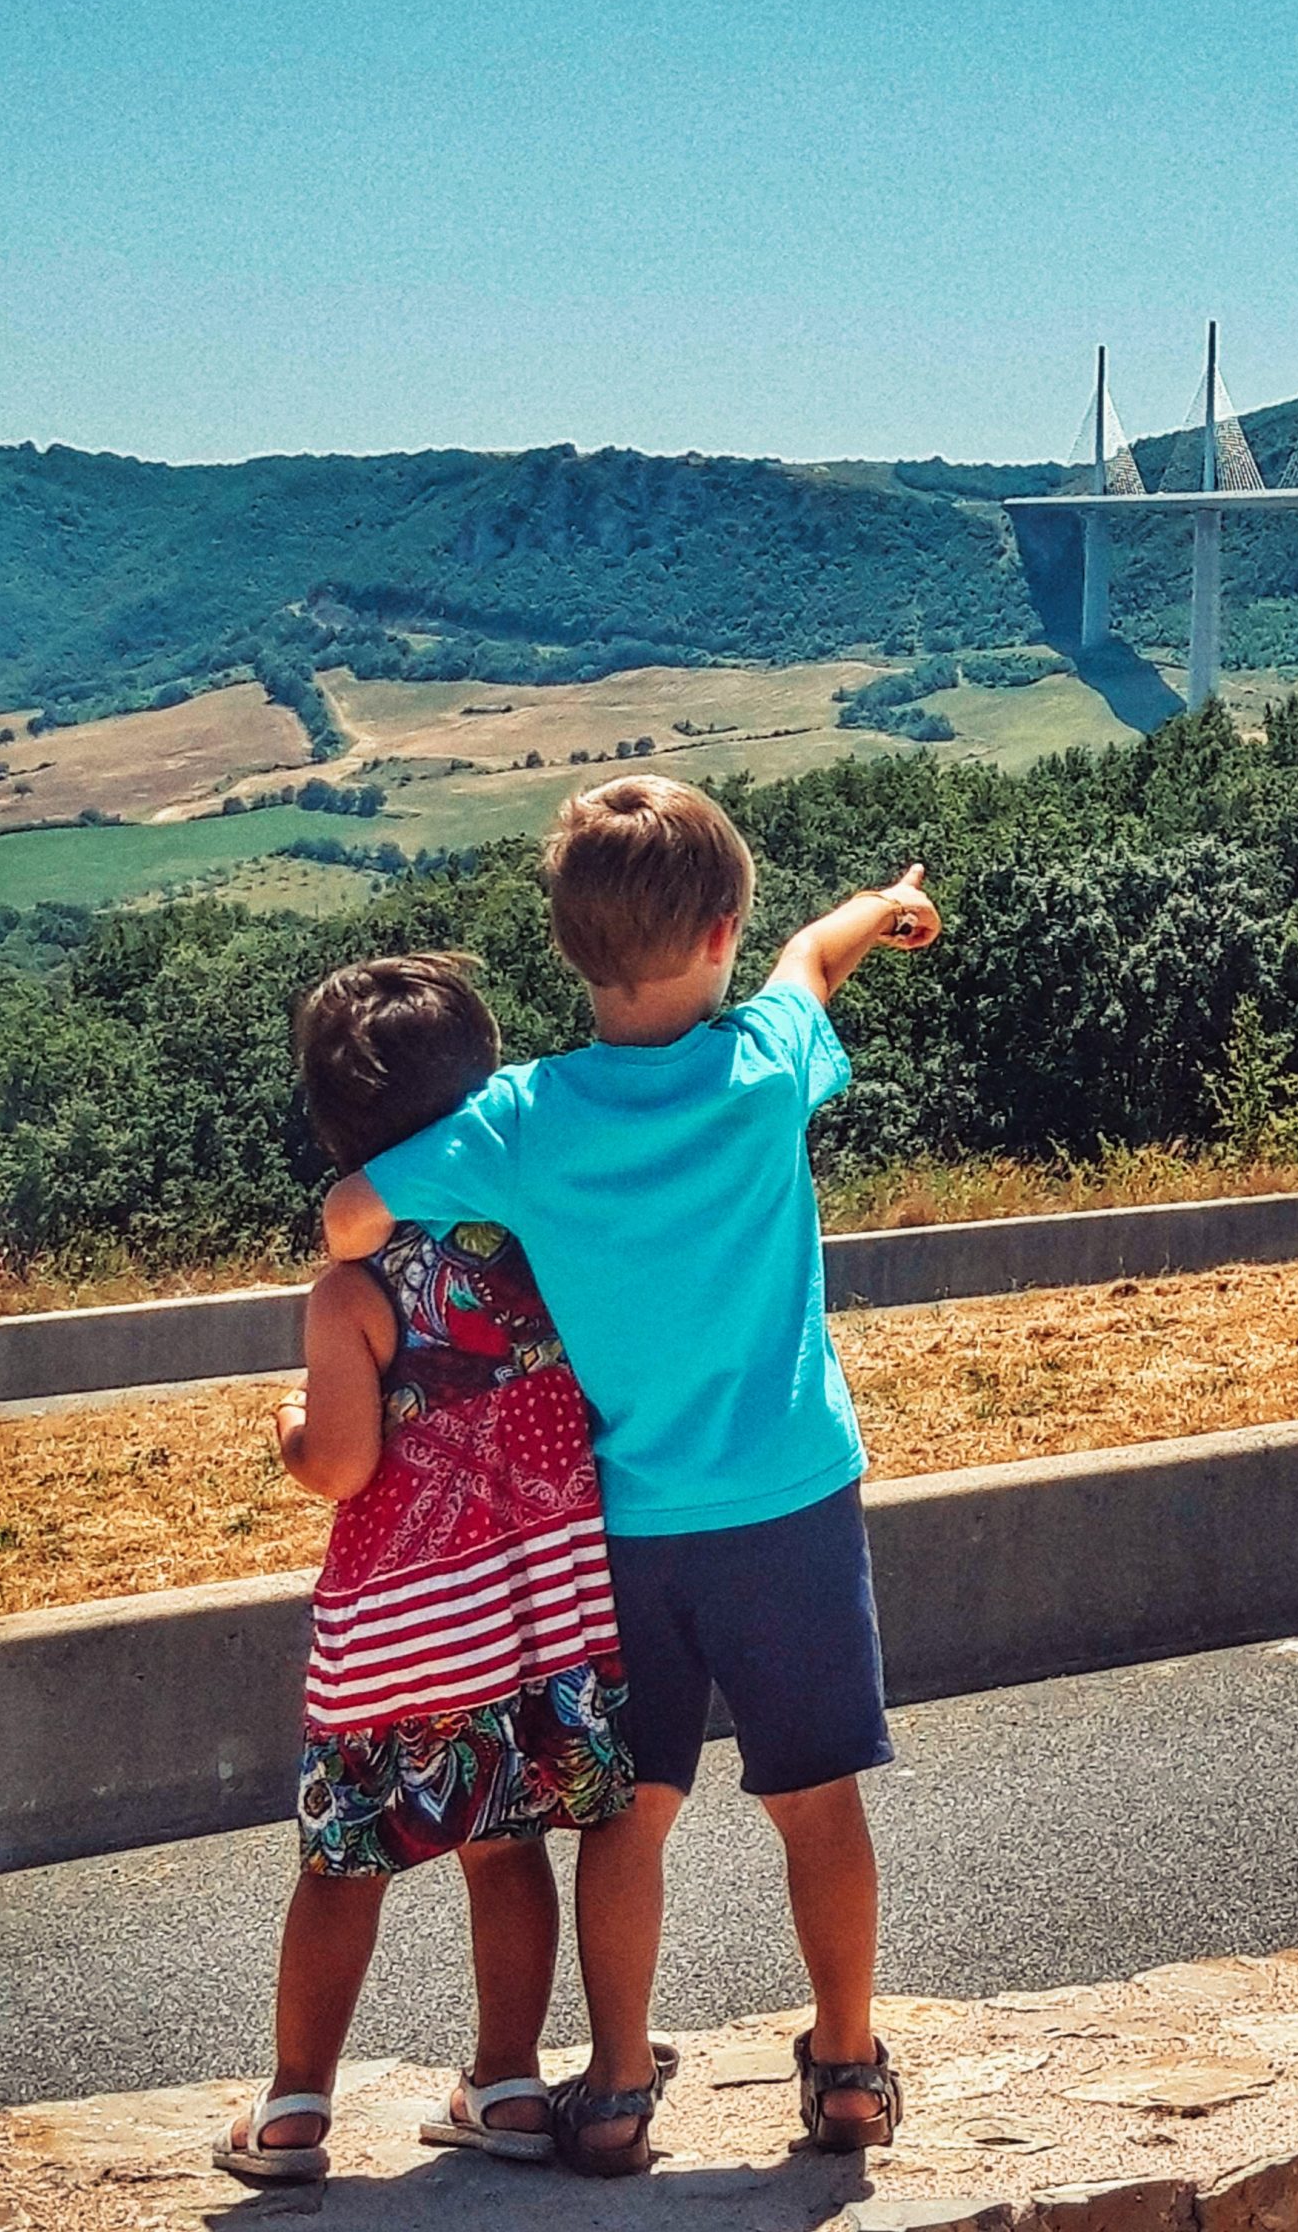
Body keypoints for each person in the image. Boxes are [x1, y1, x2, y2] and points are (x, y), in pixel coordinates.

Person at [319, 777, 940, 2177]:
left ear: (567, 950)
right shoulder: (773, 1061)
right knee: (818, 1796)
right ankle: (845, 2067)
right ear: (723, 930)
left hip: (628, 1523)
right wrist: (885, 907)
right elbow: (812, 964)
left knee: (627, 1809)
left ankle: (610, 2086)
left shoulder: (528, 1120)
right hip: (789, 1495)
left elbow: (353, 1214)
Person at [217, 954, 635, 2189]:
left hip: (402, 1633)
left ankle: (294, 2109)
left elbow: (345, 1465)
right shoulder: (534, 1244)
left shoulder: (351, 1286)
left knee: (341, 1861)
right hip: (532, 1616)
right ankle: (507, 2083)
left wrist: (291, 1434)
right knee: (507, 1846)